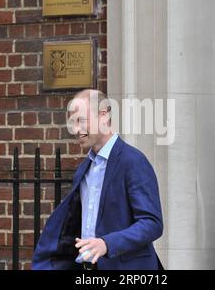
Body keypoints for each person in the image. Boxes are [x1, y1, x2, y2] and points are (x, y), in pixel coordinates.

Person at [32, 89, 163, 270]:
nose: (76, 130)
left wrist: (106, 244)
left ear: (103, 116)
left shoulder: (133, 161)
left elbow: (152, 223)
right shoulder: (84, 169)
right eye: (72, 122)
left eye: (81, 120)